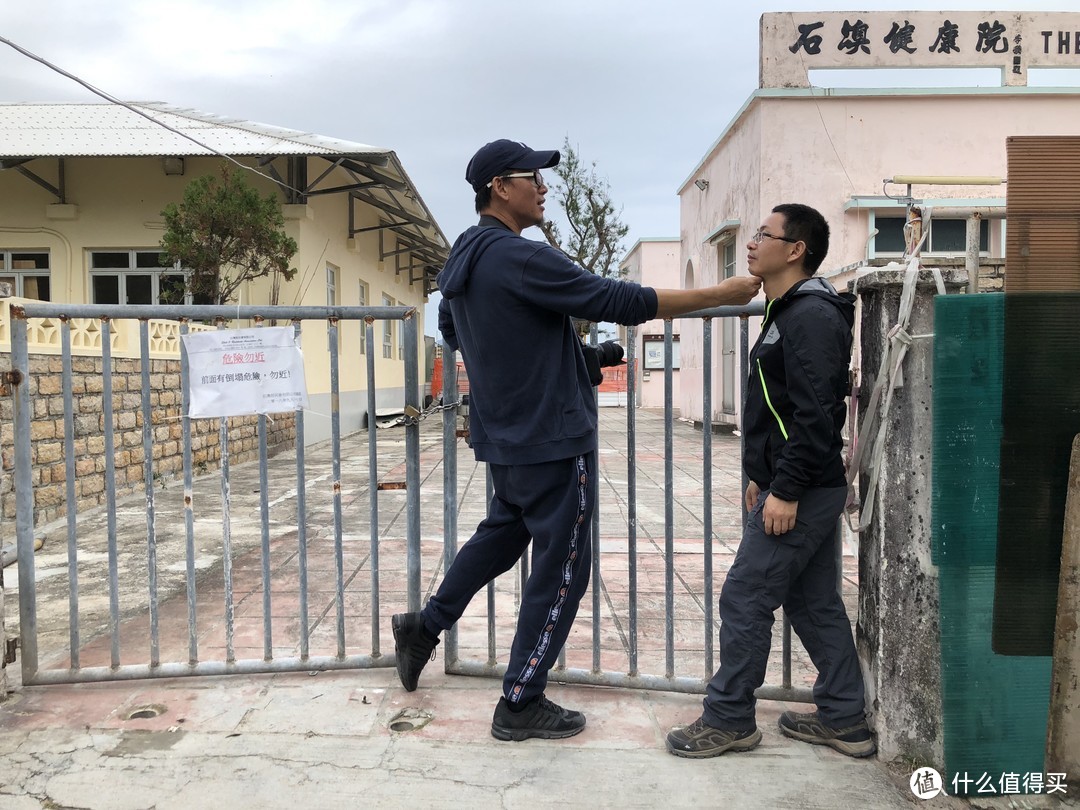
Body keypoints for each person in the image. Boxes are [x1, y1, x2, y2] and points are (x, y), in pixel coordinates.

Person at [391, 139, 761, 742]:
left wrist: (574, 359)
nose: (543, 187)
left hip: (506, 438)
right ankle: (520, 700)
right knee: (564, 569)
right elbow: (617, 298)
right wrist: (718, 294)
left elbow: (465, 331)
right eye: (531, 177)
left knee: (500, 538)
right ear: (498, 188)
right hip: (552, 439)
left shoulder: (463, 260)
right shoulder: (520, 256)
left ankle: (423, 627)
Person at [666, 203, 874, 759]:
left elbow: (816, 415)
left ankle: (729, 718)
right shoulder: (788, 309)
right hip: (799, 483)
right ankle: (845, 719)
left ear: (796, 249)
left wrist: (786, 489)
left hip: (804, 491)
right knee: (812, 603)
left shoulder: (809, 315)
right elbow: (781, 410)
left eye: (763, 235)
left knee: (745, 597)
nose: (752, 243)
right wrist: (765, 476)